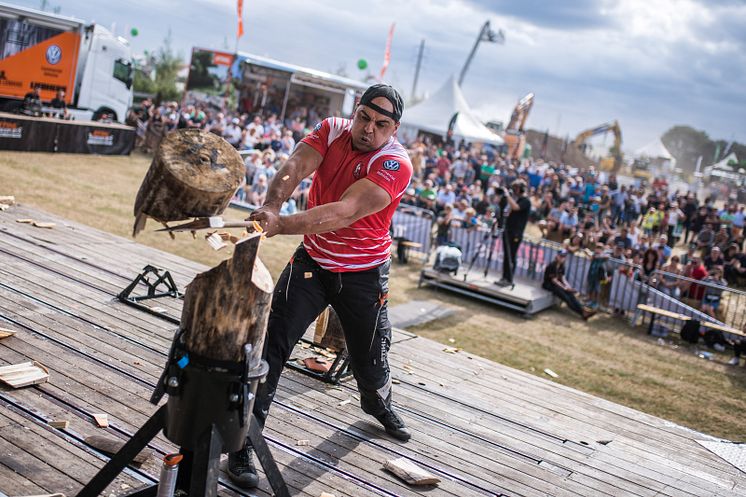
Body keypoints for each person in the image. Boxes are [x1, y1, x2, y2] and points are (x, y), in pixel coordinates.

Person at [228, 84, 413, 489]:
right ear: (354, 113)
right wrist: (273, 205)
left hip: (363, 275)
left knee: (371, 358)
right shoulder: (331, 130)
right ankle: (242, 440)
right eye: (363, 118)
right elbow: (295, 166)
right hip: (313, 262)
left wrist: (281, 225)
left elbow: (344, 213)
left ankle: (377, 403)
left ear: (393, 130)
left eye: (381, 125)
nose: (368, 130)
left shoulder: (396, 164)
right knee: (270, 345)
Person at [496, 179, 530, 287]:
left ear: (521, 189)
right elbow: (508, 210)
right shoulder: (517, 199)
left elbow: (516, 208)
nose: (514, 191)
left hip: (516, 233)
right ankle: (504, 277)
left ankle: (509, 278)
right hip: (508, 231)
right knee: (506, 255)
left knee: (511, 256)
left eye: (516, 188)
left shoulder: (526, 201)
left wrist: (508, 196)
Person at [543, 250, 595, 320]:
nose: (562, 258)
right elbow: (554, 280)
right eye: (561, 256)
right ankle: (582, 312)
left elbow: (563, 278)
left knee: (571, 295)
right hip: (549, 284)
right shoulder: (552, 265)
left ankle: (583, 311)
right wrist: (564, 288)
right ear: (557, 256)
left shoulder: (562, 266)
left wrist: (568, 287)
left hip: (558, 284)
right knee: (566, 298)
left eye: (564, 256)